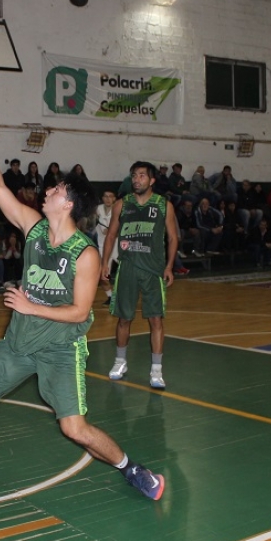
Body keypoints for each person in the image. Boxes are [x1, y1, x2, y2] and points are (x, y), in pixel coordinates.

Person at [0, 104, 165, 501]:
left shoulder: (84, 254)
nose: (46, 192)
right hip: (19, 342)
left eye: (54, 191)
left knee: (74, 428)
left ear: (67, 204)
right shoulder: (34, 228)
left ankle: (134, 470)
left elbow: (81, 312)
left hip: (58, 349)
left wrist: (30, 306)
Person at [100, 161, 179, 389]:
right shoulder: (121, 204)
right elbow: (111, 234)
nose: (136, 179)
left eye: (142, 176)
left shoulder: (164, 205)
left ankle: (156, 370)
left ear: (152, 180)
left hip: (153, 270)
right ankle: (120, 362)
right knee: (124, 318)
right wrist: (105, 263)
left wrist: (169, 266)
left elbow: (173, 238)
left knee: (156, 319)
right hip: (127, 267)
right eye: (134, 175)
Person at [95, 189, 118, 307]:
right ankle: (111, 296)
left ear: (114, 198)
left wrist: (113, 232)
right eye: (105, 196)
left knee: (128, 271)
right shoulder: (97, 209)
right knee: (103, 275)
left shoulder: (118, 208)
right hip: (103, 246)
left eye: (111, 196)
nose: (108, 199)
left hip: (117, 245)